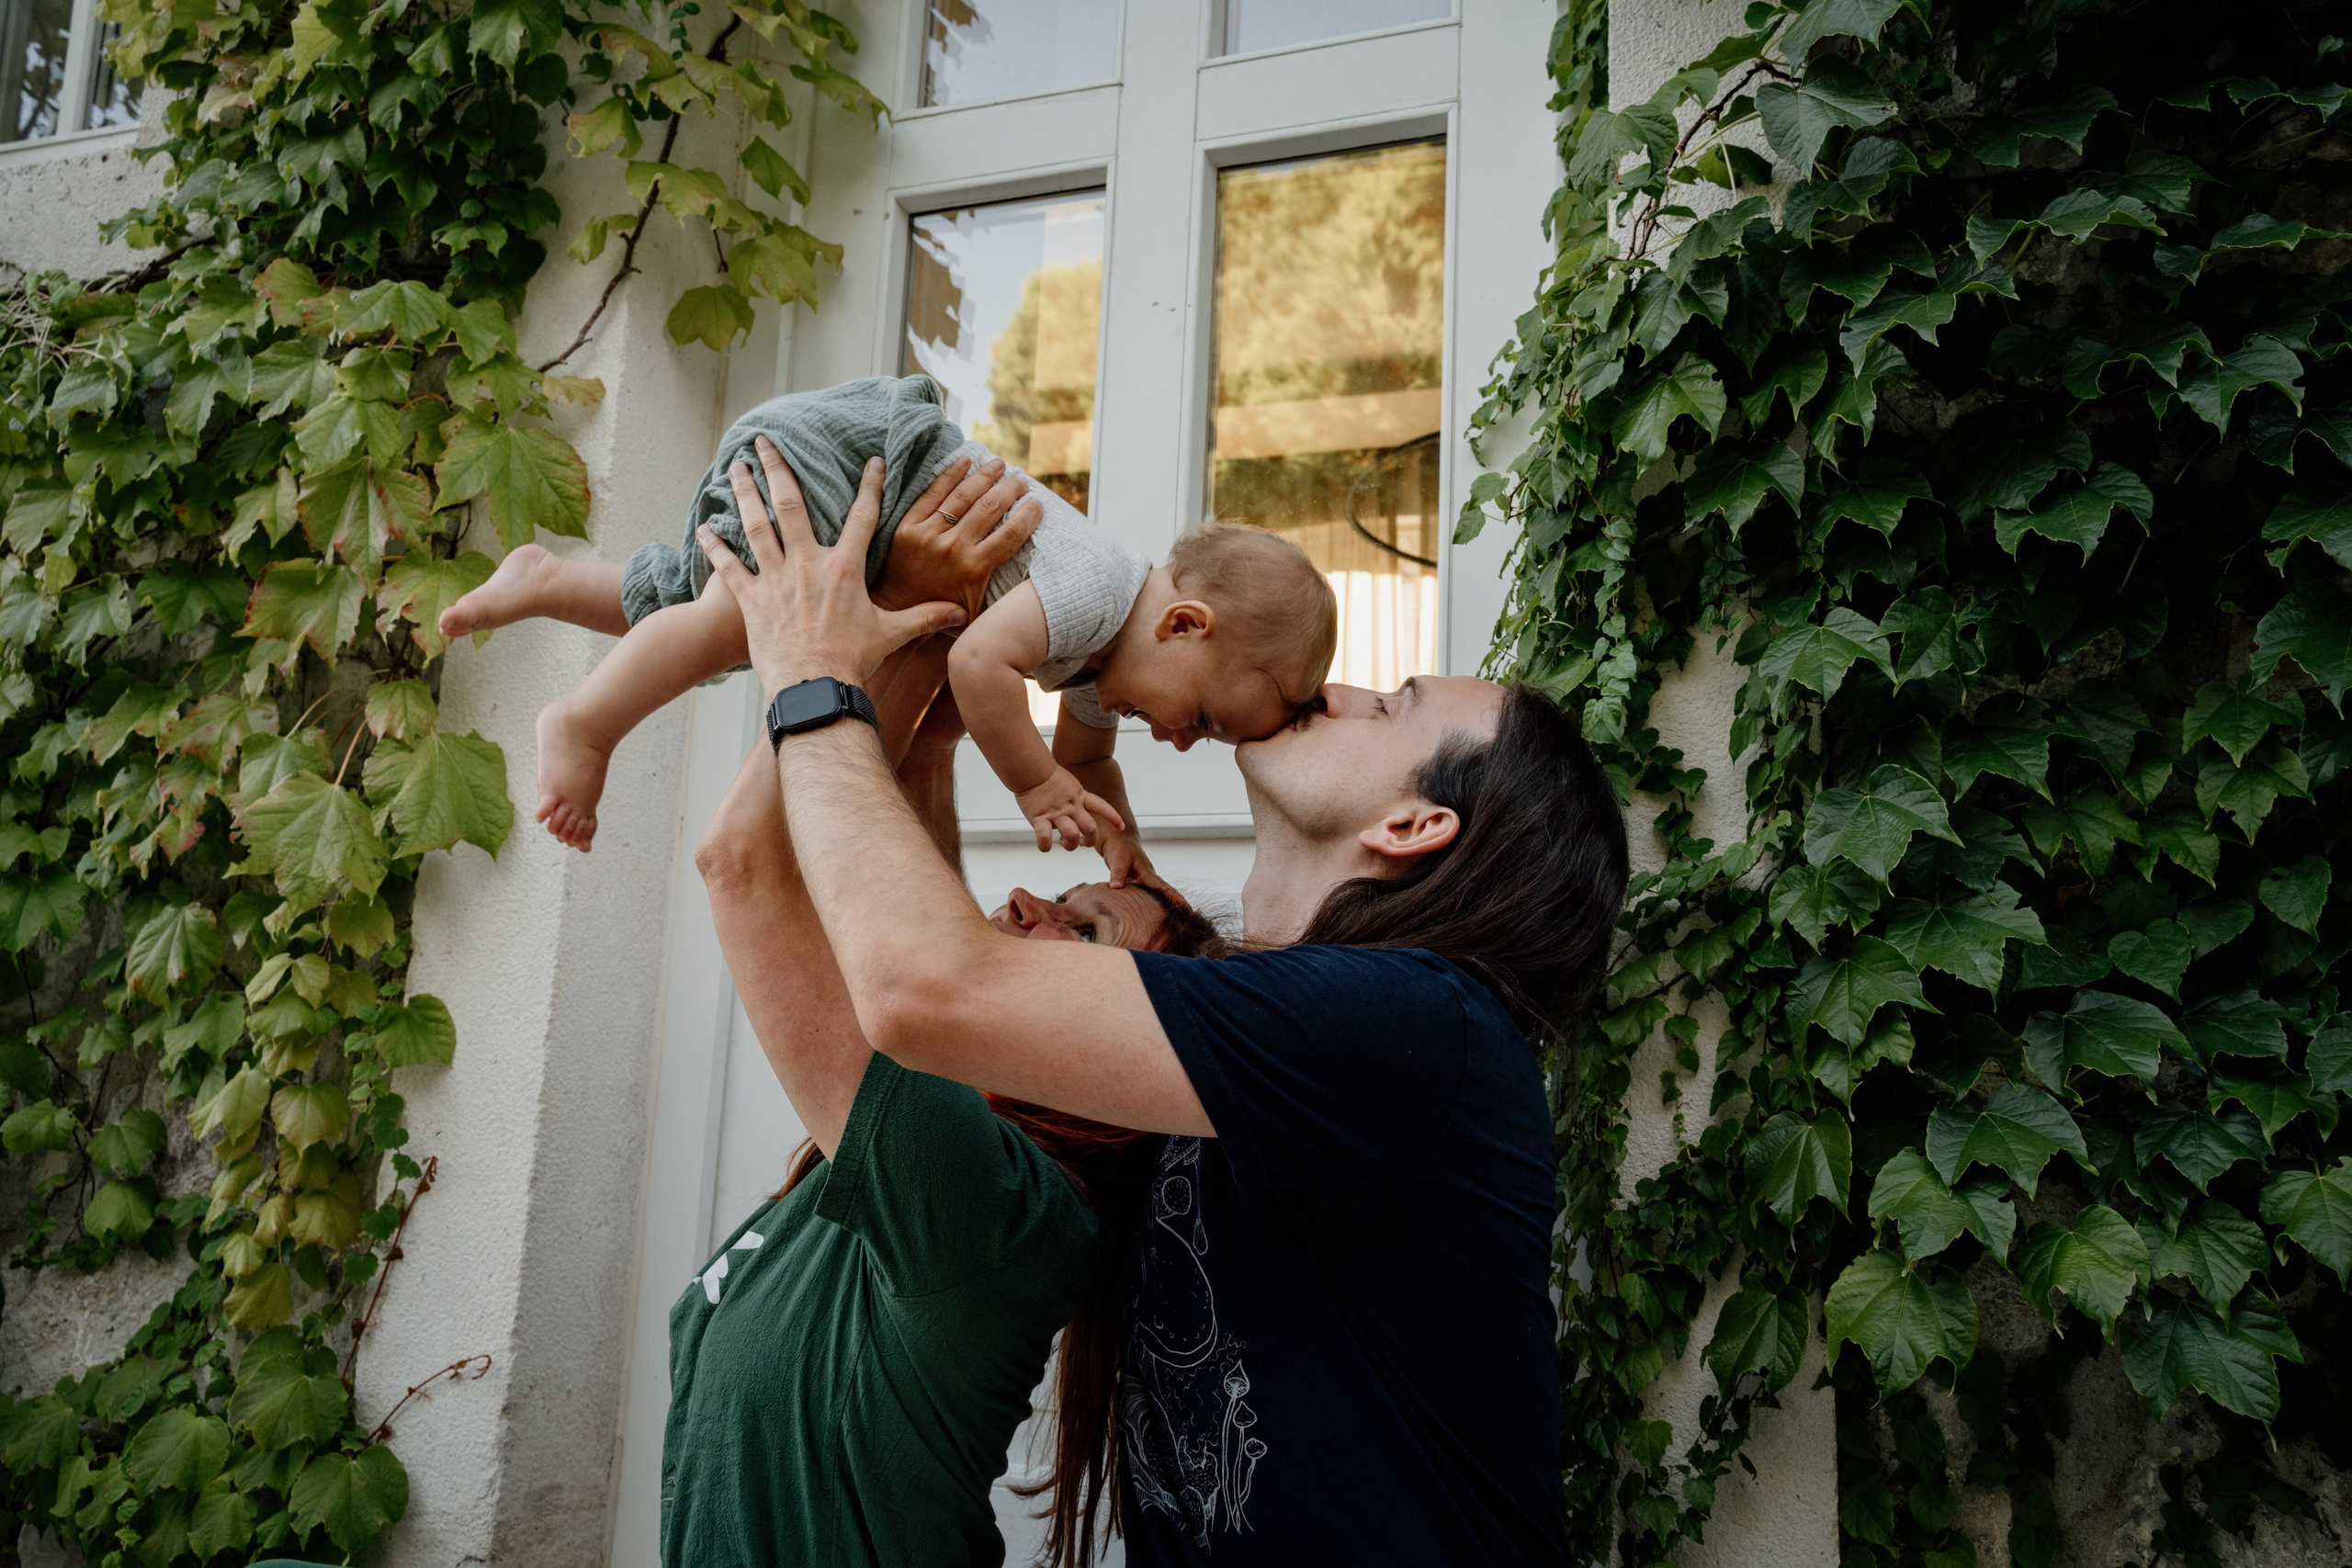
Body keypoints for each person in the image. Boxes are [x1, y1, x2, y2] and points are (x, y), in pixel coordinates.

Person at [695, 439, 1630, 1565]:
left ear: (1415, 825)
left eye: (1388, 705)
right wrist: (937, 731)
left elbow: (925, 988)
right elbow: (968, 1008)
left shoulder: (1425, 1024)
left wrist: (814, 675)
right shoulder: (1261, 1034)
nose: (1332, 689)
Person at [439, 375, 1337, 886]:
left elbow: (1088, 767)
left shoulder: (1103, 661)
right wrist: (1030, 789)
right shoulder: (1097, 592)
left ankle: (545, 580)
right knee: (735, 622)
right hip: (854, 455)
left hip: (861, 486)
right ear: (1184, 624)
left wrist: (1119, 841)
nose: (1181, 744)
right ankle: (584, 724)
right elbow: (981, 661)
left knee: (693, 597)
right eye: (1207, 720)